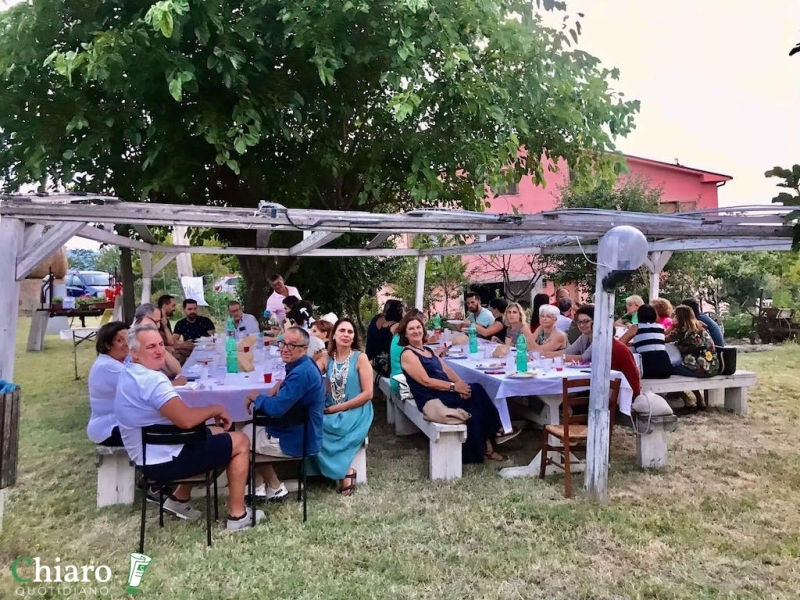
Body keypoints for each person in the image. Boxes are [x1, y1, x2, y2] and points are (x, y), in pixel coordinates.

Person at [115, 325, 263, 530]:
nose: (159, 351)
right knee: (241, 441)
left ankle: (179, 499)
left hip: (146, 454)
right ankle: (238, 516)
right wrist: (215, 408)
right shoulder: (152, 380)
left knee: (219, 432)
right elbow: (185, 421)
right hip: (163, 461)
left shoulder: (129, 372)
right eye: (151, 347)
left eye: (160, 345)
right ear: (135, 353)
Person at [399, 315, 506, 463]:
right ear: (405, 333)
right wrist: (455, 387)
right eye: (411, 329)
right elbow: (426, 381)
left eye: (418, 327)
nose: (416, 331)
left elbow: (447, 370)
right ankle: (494, 435)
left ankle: (486, 445)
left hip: (446, 390)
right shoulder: (408, 354)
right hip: (431, 396)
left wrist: (462, 386)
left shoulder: (428, 350)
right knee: (475, 400)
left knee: (475, 393)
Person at [245, 327, 325, 501]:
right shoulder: (305, 364)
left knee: (241, 438)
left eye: (292, 345)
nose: (285, 348)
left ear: (304, 349)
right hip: (299, 430)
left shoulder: (301, 373)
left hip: (298, 439)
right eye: (282, 343)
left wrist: (254, 396)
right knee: (250, 428)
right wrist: (281, 384)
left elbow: (276, 409)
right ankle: (261, 486)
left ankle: (268, 485)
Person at [310, 318, 374, 495]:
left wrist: (336, 409)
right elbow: (308, 376)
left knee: (323, 424)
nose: (346, 335)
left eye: (350, 332)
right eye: (342, 331)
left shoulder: (360, 358)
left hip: (357, 409)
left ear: (354, 337)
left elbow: (368, 394)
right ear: (333, 335)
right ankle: (337, 470)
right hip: (332, 406)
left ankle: (343, 471)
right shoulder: (326, 358)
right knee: (311, 422)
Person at [552, 305, 642, 396]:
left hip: (621, 392)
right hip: (603, 386)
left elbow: (583, 358)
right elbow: (567, 352)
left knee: (564, 393)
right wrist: (544, 355)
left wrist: (554, 358)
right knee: (563, 392)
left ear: (596, 322)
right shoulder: (585, 337)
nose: (582, 325)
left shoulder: (602, 340)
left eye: (586, 321)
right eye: (579, 322)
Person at [87, 321, 129, 447]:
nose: (127, 344)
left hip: (122, 423)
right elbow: (146, 388)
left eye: (129, 339)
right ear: (107, 345)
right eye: (120, 340)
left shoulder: (122, 359)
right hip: (108, 428)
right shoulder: (108, 366)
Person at [133, 304, 185, 383]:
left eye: (159, 322)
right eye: (156, 321)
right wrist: (177, 383)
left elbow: (177, 370)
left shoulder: (151, 334)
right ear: (143, 319)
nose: (158, 326)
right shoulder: (133, 340)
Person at [666, 305, 719, 378]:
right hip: (712, 368)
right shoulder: (700, 328)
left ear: (679, 318)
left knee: (668, 369)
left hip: (698, 369)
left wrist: (671, 326)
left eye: (674, 316)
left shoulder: (681, 331)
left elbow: (661, 339)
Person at [631, 304, 672, 379]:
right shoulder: (660, 327)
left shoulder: (636, 327)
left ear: (639, 315)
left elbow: (621, 342)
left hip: (647, 369)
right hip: (665, 368)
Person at [366, 299, 404, 377]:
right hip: (386, 365)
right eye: (404, 311)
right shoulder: (397, 326)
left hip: (378, 360)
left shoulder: (386, 323)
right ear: (400, 312)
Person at [157, 295, 194, 364]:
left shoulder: (165, 320)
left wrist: (183, 343)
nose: (174, 308)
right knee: (184, 353)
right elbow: (170, 342)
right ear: (165, 306)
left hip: (169, 348)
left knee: (190, 347)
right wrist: (181, 345)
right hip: (164, 350)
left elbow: (171, 339)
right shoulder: (158, 320)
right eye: (173, 305)